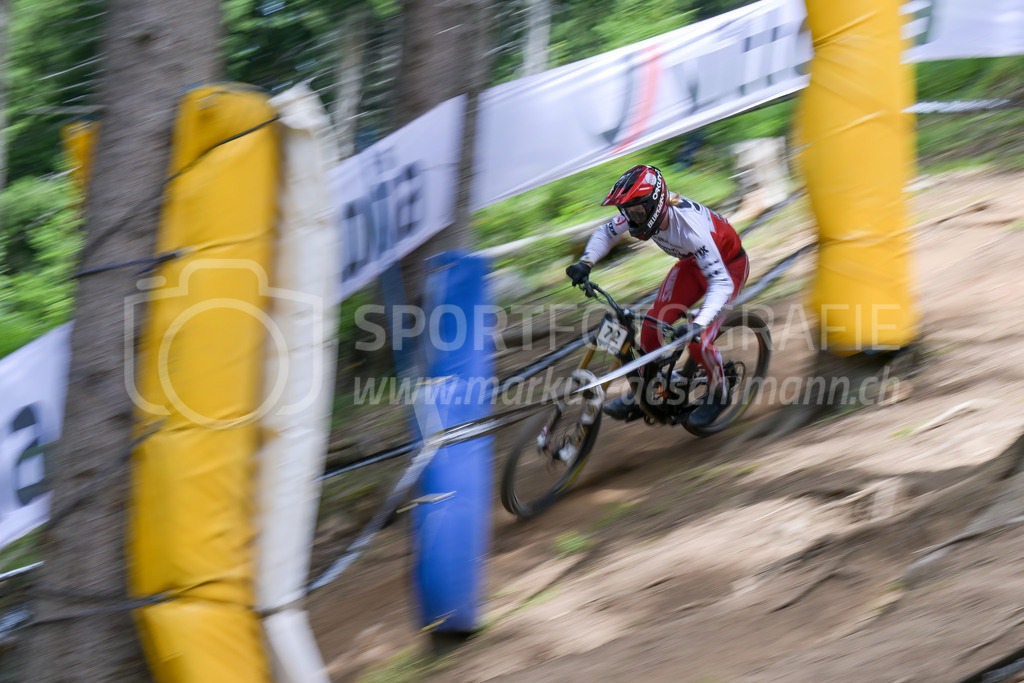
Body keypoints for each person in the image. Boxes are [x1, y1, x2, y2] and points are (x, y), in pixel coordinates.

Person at [565, 164, 749, 430]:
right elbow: (607, 232)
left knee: (699, 340)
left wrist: (698, 325)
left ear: (654, 204)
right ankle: (649, 388)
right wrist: (586, 262)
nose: (631, 218)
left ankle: (719, 391)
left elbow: (720, 282)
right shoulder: (645, 210)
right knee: (651, 329)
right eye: (627, 212)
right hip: (692, 265)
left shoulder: (689, 229)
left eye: (637, 212)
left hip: (728, 270)